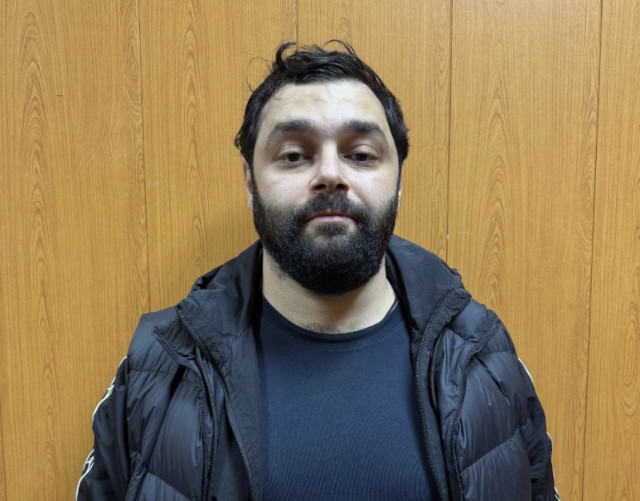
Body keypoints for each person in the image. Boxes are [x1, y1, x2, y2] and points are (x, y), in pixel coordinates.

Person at [77, 41, 558, 500]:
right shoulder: (160, 364)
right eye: (294, 155)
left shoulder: (483, 355)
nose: (330, 174)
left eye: (360, 155)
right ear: (250, 183)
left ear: (399, 181)